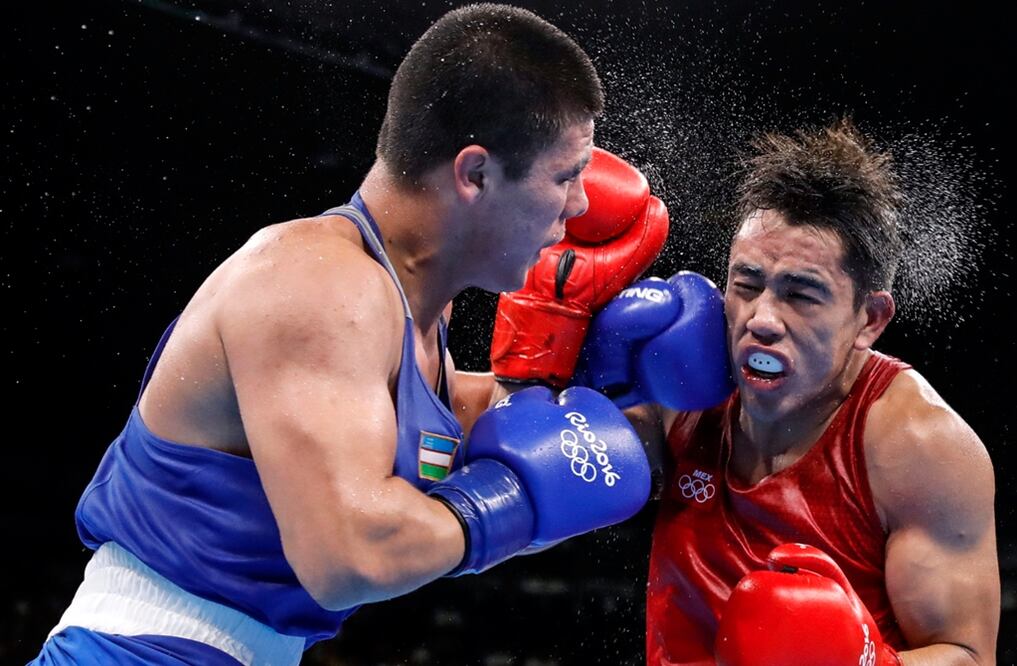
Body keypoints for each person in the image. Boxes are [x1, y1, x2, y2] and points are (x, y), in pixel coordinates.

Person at [30, 4, 673, 664]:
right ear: (474, 174)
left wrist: (603, 394)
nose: (580, 205)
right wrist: (516, 502)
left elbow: (466, 434)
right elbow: (352, 554)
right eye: (565, 176)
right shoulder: (321, 286)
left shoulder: (409, 313)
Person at [569, 119, 1000, 664]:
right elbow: (523, 449)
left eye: (802, 295)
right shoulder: (681, 380)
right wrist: (555, 346)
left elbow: (967, 653)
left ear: (870, 319)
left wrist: (866, 662)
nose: (762, 319)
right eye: (746, 285)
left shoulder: (918, 446)